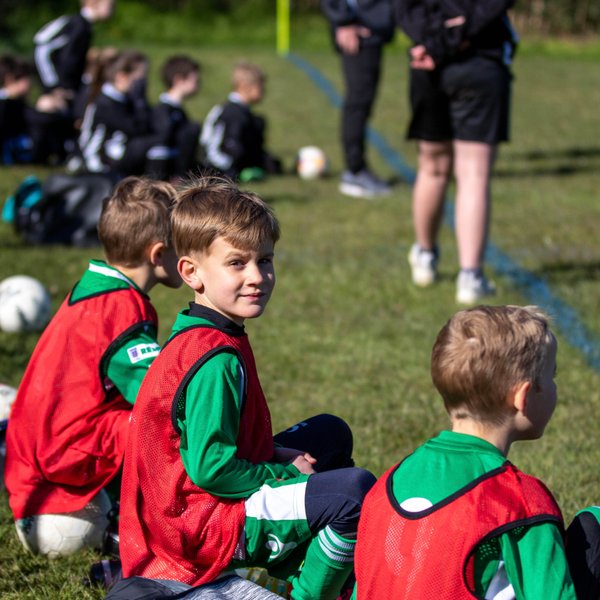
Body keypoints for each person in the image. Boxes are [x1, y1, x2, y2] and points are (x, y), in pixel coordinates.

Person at [115, 176, 376, 600]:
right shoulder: (213, 358)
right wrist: (282, 473)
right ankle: (313, 593)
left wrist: (275, 452)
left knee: (330, 433)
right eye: (237, 263)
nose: (257, 276)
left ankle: (312, 558)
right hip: (197, 528)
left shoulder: (208, 329)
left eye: (265, 260)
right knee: (354, 492)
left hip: (190, 506)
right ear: (191, 272)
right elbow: (211, 469)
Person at [4, 177, 182, 557]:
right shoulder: (122, 311)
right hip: (66, 452)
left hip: (39, 438)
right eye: (183, 247)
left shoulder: (93, 286)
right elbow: (163, 394)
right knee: (168, 429)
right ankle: (152, 531)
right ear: (158, 253)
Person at [352, 304, 577, 599]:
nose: (555, 388)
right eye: (552, 378)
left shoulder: (389, 482)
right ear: (522, 396)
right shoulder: (520, 501)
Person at [396, 0, 518, 304]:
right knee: (472, 173)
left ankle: (425, 256)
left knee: (432, 167)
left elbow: (404, 11)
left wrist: (435, 41)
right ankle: (470, 275)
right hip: (476, 62)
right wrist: (453, 34)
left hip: (429, 61)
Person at [321, 0, 395, 199]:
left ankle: (356, 170)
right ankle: (355, 172)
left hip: (372, 30)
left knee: (363, 102)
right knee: (358, 103)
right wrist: (343, 20)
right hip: (358, 30)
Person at [73, 50, 170, 178]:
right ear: (121, 76)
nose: (143, 83)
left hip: (118, 154)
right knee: (151, 142)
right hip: (100, 163)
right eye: (140, 78)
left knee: (156, 143)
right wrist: (139, 101)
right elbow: (136, 129)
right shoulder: (105, 103)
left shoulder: (125, 99)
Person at [200, 62, 282, 182]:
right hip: (217, 164)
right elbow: (223, 146)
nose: (264, 90)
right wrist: (231, 170)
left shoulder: (243, 111)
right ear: (245, 87)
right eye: (260, 86)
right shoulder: (233, 113)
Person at [33, 0, 115, 101]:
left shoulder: (83, 26)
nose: (113, 7)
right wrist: (55, 86)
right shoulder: (77, 25)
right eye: (109, 4)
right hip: (59, 91)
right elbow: (43, 50)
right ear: (92, 2)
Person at [152, 54, 202, 180]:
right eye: (195, 80)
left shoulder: (177, 110)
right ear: (179, 80)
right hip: (164, 172)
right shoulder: (163, 111)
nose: (199, 83)